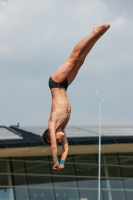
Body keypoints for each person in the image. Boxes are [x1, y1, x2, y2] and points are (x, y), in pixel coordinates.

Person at [42, 23, 110, 170]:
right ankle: (97, 36)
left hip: (55, 83)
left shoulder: (52, 124)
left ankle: (93, 33)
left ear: (50, 135)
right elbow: (66, 150)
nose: (60, 142)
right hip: (65, 86)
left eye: (57, 140)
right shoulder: (63, 129)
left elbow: (54, 147)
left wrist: (55, 161)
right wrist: (62, 163)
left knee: (73, 58)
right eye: (60, 141)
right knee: (80, 61)